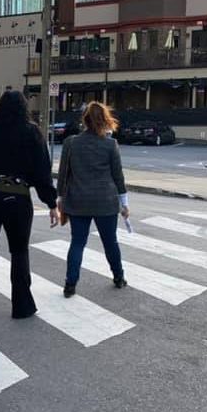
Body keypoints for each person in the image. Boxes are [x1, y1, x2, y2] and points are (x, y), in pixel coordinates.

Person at [0, 90, 59, 326]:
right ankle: (22, 305)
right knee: (19, 253)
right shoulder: (32, 134)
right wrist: (51, 203)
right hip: (18, 199)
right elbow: (42, 172)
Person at [57, 101, 129, 298]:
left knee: (77, 243)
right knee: (110, 242)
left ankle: (70, 284)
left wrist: (60, 198)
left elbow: (63, 174)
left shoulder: (71, 143)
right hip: (106, 201)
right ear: (105, 120)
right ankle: (118, 277)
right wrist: (124, 203)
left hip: (77, 200)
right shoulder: (110, 144)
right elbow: (118, 175)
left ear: (85, 120)